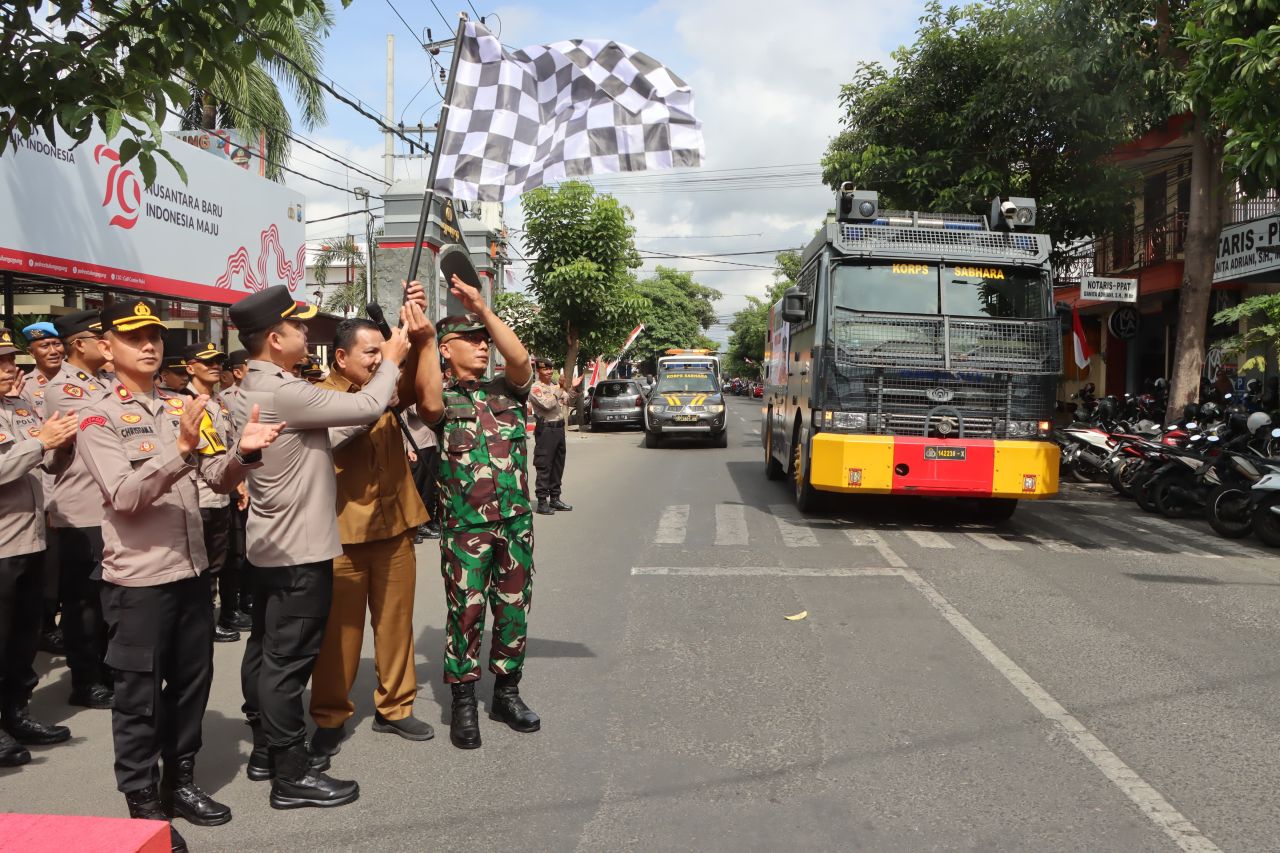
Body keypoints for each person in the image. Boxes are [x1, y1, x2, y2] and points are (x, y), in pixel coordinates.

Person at [79, 298, 284, 852]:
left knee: (191, 686)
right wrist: (180, 450)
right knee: (139, 697)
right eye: (133, 337)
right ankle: (143, 807)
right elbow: (124, 496)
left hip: (193, 572)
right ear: (107, 348)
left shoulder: (183, 405)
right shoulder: (96, 416)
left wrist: (243, 454)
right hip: (139, 582)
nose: (149, 345)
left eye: (155, 336)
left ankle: (181, 783)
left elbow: (217, 477)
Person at [228, 284, 411, 809]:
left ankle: (265, 752)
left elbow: (318, 440)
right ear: (272, 338)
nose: (306, 332)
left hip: (272, 544)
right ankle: (291, 775)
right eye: (297, 326)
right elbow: (370, 402)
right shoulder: (282, 389)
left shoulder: (262, 387)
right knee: (287, 667)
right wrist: (391, 358)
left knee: (265, 652)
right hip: (299, 551)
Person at [419, 275, 541, 750]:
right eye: (469, 341)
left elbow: (521, 360)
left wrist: (484, 311)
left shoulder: (507, 391)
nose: (482, 348)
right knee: (465, 613)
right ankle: (464, 701)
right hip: (466, 528)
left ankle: (507, 694)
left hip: (514, 523)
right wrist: (428, 343)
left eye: (484, 341)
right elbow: (427, 402)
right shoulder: (444, 398)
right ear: (447, 349)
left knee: (513, 611)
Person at [307, 315, 435, 760]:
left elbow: (421, 387)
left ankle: (395, 707)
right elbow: (335, 438)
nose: (382, 361)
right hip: (342, 533)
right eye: (371, 354)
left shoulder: (389, 388)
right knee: (339, 635)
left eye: (385, 353)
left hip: (395, 525)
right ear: (340, 358)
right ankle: (329, 715)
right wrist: (378, 394)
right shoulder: (319, 396)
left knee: (396, 625)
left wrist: (419, 339)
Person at [0, 326, 78, 768]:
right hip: (2, 544)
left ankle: (16, 712)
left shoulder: (20, 404)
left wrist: (62, 448)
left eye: (12, 360)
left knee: (24, 635)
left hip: (31, 536)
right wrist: (39, 444)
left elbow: (45, 462)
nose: (13, 368)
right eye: (4, 362)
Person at [43, 309, 115, 710]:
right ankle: (85, 680)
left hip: (109, 506)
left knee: (105, 598)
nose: (107, 345)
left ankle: (104, 669)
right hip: (80, 508)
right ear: (79, 345)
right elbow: (107, 420)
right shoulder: (63, 388)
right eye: (98, 338)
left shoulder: (104, 380)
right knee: (82, 600)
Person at [182, 342, 250, 643]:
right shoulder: (182, 402)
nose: (214, 366)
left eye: (218, 362)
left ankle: (212, 618)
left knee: (219, 561)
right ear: (189, 367)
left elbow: (226, 447)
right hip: (196, 495)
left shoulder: (219, 403)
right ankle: (202, 623)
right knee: (202, 566)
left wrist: (237, 483)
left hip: (220, 495)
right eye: (206, 361)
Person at [21, 321, 68, 654]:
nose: (53, 351)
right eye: (44, 347)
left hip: (77, 477)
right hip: (45, 480)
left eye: (56, 344)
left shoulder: (80, 381)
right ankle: (46, 623)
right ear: (31, 353)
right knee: (50, 560)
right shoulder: (22, 389)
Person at [530, 358, 574, 515]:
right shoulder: (536, 388)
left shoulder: (555, 386)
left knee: (557, 465)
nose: (548, 372)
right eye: (545, 369)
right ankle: (542, 501)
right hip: (546, 430)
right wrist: (560, 389)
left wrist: (571, 388)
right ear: (538, 371)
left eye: (550, 369)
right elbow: (547, 405)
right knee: (544, 466)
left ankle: (555, 498)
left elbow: (568, 400)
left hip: (558, 429)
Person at [403, 404, 441, 541]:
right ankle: (415, 526)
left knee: (429, 487)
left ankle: (427, 522)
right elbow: (415, 412)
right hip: (416, 446)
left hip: (431, 444)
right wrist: (408, 448)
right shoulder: (413, 395)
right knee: (416, 487)